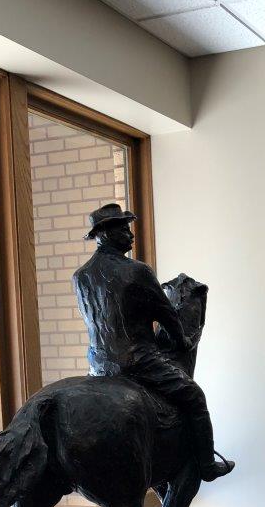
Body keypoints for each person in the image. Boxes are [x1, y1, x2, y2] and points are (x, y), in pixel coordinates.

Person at [72, 203, 234, 482]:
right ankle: (207, 466)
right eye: (124, 229)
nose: (131, 235)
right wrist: (182, 340)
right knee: (195, 397)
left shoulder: (80, 277)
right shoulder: (136, 271)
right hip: (137, 362)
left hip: (99, 367)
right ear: (105, 233)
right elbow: (166, 313)